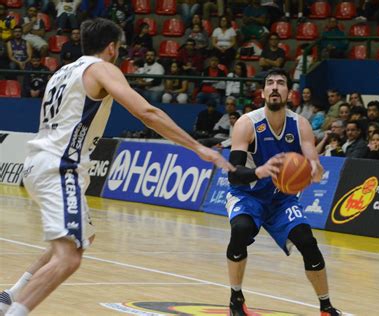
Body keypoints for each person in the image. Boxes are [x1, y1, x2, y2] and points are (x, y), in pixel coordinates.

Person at [0, 18, 233, 316]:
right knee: (69, 257)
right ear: (112, 47)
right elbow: (146, 112)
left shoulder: (63, 71)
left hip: (39, 160)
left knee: (83, 236)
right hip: (60, 166)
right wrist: (198, 147)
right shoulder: (101, 68)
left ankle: (11, 295)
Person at [225, 68, 341, 316]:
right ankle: (236, 299)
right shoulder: (247, 124)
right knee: (241, 230)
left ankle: (326, 307)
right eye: (270, 83)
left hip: (281, 199)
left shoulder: (301, 125)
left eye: (280, 83)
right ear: (263, 91)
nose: (275, 87)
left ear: (290, 92)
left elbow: (312, 163)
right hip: (248, 195)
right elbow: (233, 173)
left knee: (308, 242)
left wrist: (315, 170)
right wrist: (261, 171)